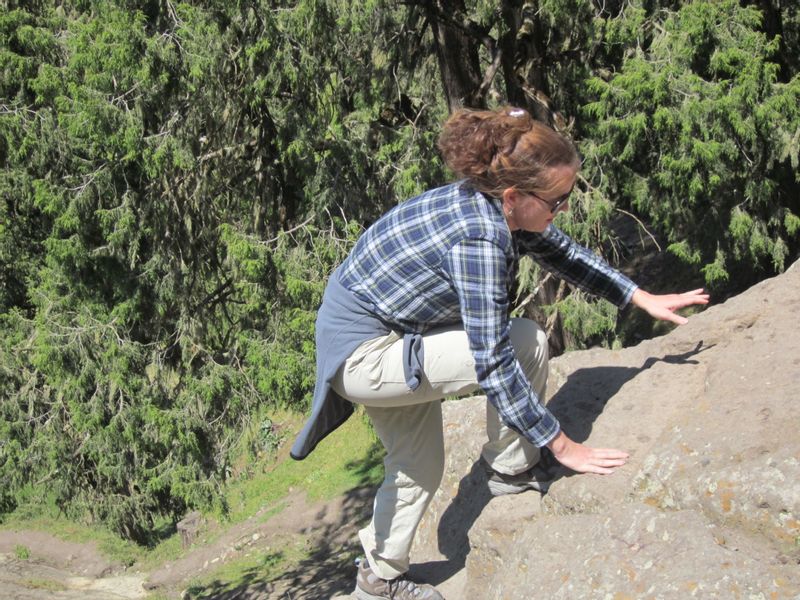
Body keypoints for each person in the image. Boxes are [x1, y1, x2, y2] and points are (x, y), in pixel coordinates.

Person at [290, 106, 709, 600]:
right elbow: (491, 359)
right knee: (524, 342)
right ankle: (511, 466)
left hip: (394, 330)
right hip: (366, 353)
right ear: (514, 196)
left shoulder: (494, 202)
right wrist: (562, 446)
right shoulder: (480, 237)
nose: (565, 210)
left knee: (418, 466)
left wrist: (636, 295)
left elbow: (563, 253)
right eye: (558, 200)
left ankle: (376, 581)